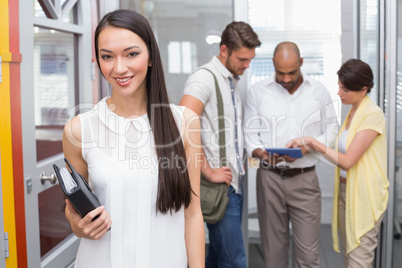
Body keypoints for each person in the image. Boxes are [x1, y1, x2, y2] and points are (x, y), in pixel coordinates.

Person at [62, 9, 204, 268]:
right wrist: (79, 227)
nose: (119, 68)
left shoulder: (184, 123)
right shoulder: (79, 129)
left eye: (131, 54)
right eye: (107, 56)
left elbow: (192, 214)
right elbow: (74, 210)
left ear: (150, 57)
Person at [243, 41, 338, 268]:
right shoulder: (257, 92)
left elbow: (332, 129)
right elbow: (249, 134)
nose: (286, 79)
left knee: (307, 257)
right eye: (280, 72)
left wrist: (308, 147)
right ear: (273, 65)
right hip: (270, 179)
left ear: (302, 63)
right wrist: (262, 154)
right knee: (274, 255)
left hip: (305, 178)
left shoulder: (319, 92)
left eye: (292, 72)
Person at [287, 59, 389, 268]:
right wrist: (306, 143)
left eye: (344, 89)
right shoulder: (353, 112)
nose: (339, 93)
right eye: (339, 87)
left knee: (359, 260)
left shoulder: (371, 114)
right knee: (350, 256)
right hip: (346, 192)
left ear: (363, 89)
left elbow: (348, 161)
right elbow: (337, 152)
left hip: (364, 195)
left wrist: (313, 141)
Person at [180, 21, 261, 267]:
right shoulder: (204, 78)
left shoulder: (231, 79)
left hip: (234, 183)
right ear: (224, 50)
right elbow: (183, 123)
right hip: (220, 187)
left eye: (250, 59)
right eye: (242, 59)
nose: (247, 65)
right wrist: (207, 169)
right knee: (235, 260)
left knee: (218, 253)